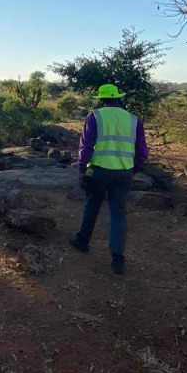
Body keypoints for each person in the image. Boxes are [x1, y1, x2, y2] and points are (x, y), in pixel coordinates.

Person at [68, 83, 149, 275]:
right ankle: (117, 259)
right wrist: (133, 169)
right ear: (119, 97)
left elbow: (86, 147)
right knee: (118, 214)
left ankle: (83, 241)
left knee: (91, 205)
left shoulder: (95, 116)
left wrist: (82, 170)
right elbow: (142, 151)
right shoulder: (133, 119)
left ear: (101, 99)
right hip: (124, 173)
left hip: (98, 171)